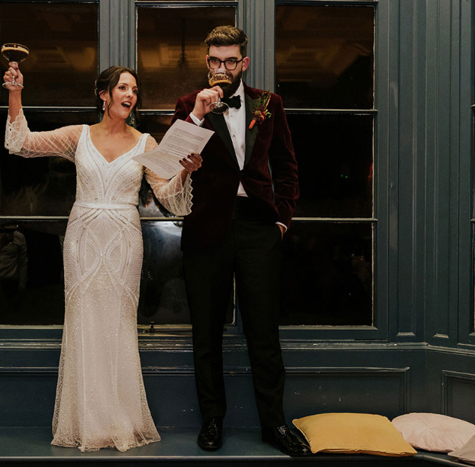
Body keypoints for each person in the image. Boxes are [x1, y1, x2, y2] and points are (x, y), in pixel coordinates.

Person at [3, 64, 201, 452]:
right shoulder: (79, 136)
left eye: (135, 90)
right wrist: (15, 93)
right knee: (83, 321)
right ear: (104, 95)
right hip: (84, 238)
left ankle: (118, 420)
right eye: (123, 87)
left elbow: (168, 194)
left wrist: (186, 172)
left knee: (118, 324)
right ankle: (84, 422)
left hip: (124, 239)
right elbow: (21, 142)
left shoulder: (146, 142)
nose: (130, 94)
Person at [171, 25, 308, 456]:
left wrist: (281, 220)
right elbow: (169, 163)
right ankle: (212, 421)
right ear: (206, 61)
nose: (222, 68)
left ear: (243, 63)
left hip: (257, 227)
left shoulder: (269, 104)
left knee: (264, 331)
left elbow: (287, 166)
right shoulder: (188, 104)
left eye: (231, 61)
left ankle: (274, 425)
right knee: (206, 332)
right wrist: (196, 114)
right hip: (206, 225)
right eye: (215, 61)